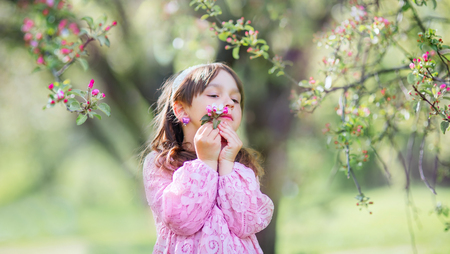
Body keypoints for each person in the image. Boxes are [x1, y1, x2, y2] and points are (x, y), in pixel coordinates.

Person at [142, 63, 274, 253]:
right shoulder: (162, 164)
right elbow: (182, 221)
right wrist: (206, 163)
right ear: (181, 110)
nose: (228, 102)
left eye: (235, 100)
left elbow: (246, 224)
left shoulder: (241, 166)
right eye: (214, 95)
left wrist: (227, 163)